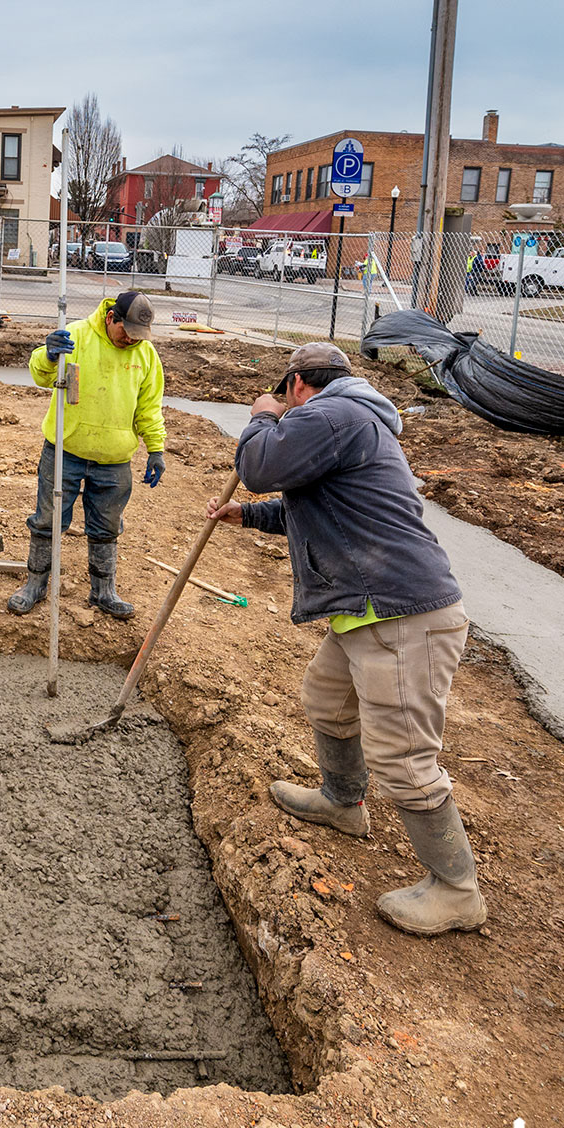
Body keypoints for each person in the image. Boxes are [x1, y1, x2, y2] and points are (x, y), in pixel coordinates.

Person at [206, 342, 482, 936]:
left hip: (400, 615)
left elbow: (259, 469)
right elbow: (313, 505)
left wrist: (261, 416)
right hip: (367, 609)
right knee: (327, 700)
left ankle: (457, 890)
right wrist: (247, 518)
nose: (285, 405)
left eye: (287, 395)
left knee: (404, 758)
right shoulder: (352, 421)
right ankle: (342, 801)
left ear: (299, 383)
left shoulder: (333, 413)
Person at [6, 290, 166, 621]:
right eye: (127, 333)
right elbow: (41, 375)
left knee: (106, 527)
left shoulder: (146, 355)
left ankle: (104, 591)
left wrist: (156, 448)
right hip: (65, 450)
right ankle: (35, 585)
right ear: (112, 318)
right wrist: (49, 355)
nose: (131, 341)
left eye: (139, 336)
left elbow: (149, 408)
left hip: (114, 460)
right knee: (47, 522)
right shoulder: (75, 336)